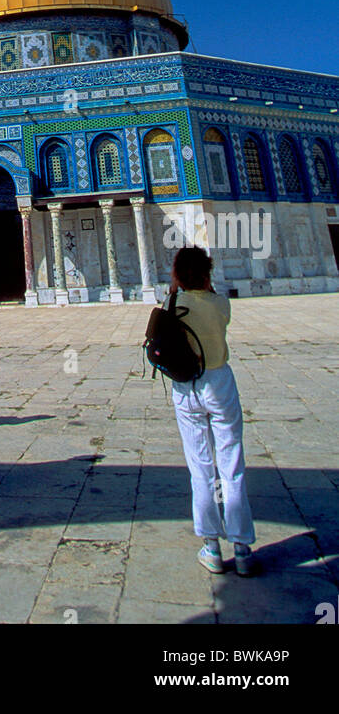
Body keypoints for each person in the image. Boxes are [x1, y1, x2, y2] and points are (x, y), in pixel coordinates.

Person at [168, 246, 256, 577]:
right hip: (219, 383)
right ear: (207, 273)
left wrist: (176, 290)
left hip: (186, 387)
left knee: (200, 466)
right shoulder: (221, 304)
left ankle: (211, 546)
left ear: (177, 274)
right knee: (231, 462)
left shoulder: (174, 304)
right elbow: (216, 309)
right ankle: (243, 547)